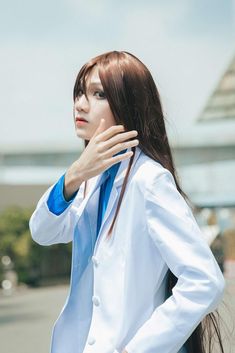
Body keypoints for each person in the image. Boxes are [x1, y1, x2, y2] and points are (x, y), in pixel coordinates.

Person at [29, 50, 225, 353]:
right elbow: (43, 231)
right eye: (79, 92)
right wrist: (75, 174)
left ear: (127, 104)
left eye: (98, 94)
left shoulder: (149, 181)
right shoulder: (91, 179)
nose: (79, 104)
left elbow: (205, 281)